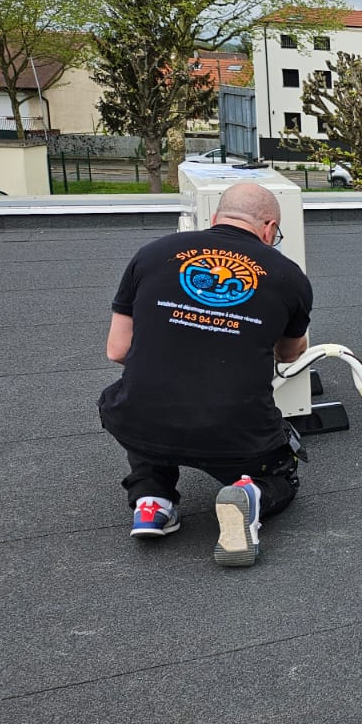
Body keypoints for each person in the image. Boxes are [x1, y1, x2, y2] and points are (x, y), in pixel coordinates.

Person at [99, 182, 313, 568]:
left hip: (143, 420)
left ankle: (152, 500)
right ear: (269, 229)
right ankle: (252, 495)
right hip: (234, 431)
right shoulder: (288, 276)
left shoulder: (152, 254)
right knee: (283, 474)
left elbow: (117, 350)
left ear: (215, 217)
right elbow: (288, 354)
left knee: (145, 400)